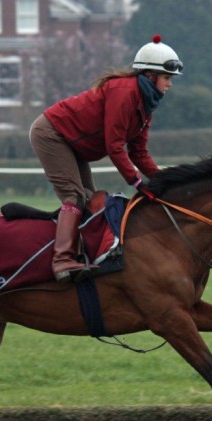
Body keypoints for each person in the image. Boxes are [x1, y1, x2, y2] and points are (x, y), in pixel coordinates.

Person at [29, 34, 183, 283]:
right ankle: (61, 261)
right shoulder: (124, 93)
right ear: (150, 76)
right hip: (52, 134)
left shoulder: (145, 106)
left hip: (73, 143)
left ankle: (82, 255)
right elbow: (114, 146)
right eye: (167, 78)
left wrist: (161, 180)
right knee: (74, 197)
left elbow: (139, 152)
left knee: (89, 201)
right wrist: (137, 183)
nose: (170, 84)